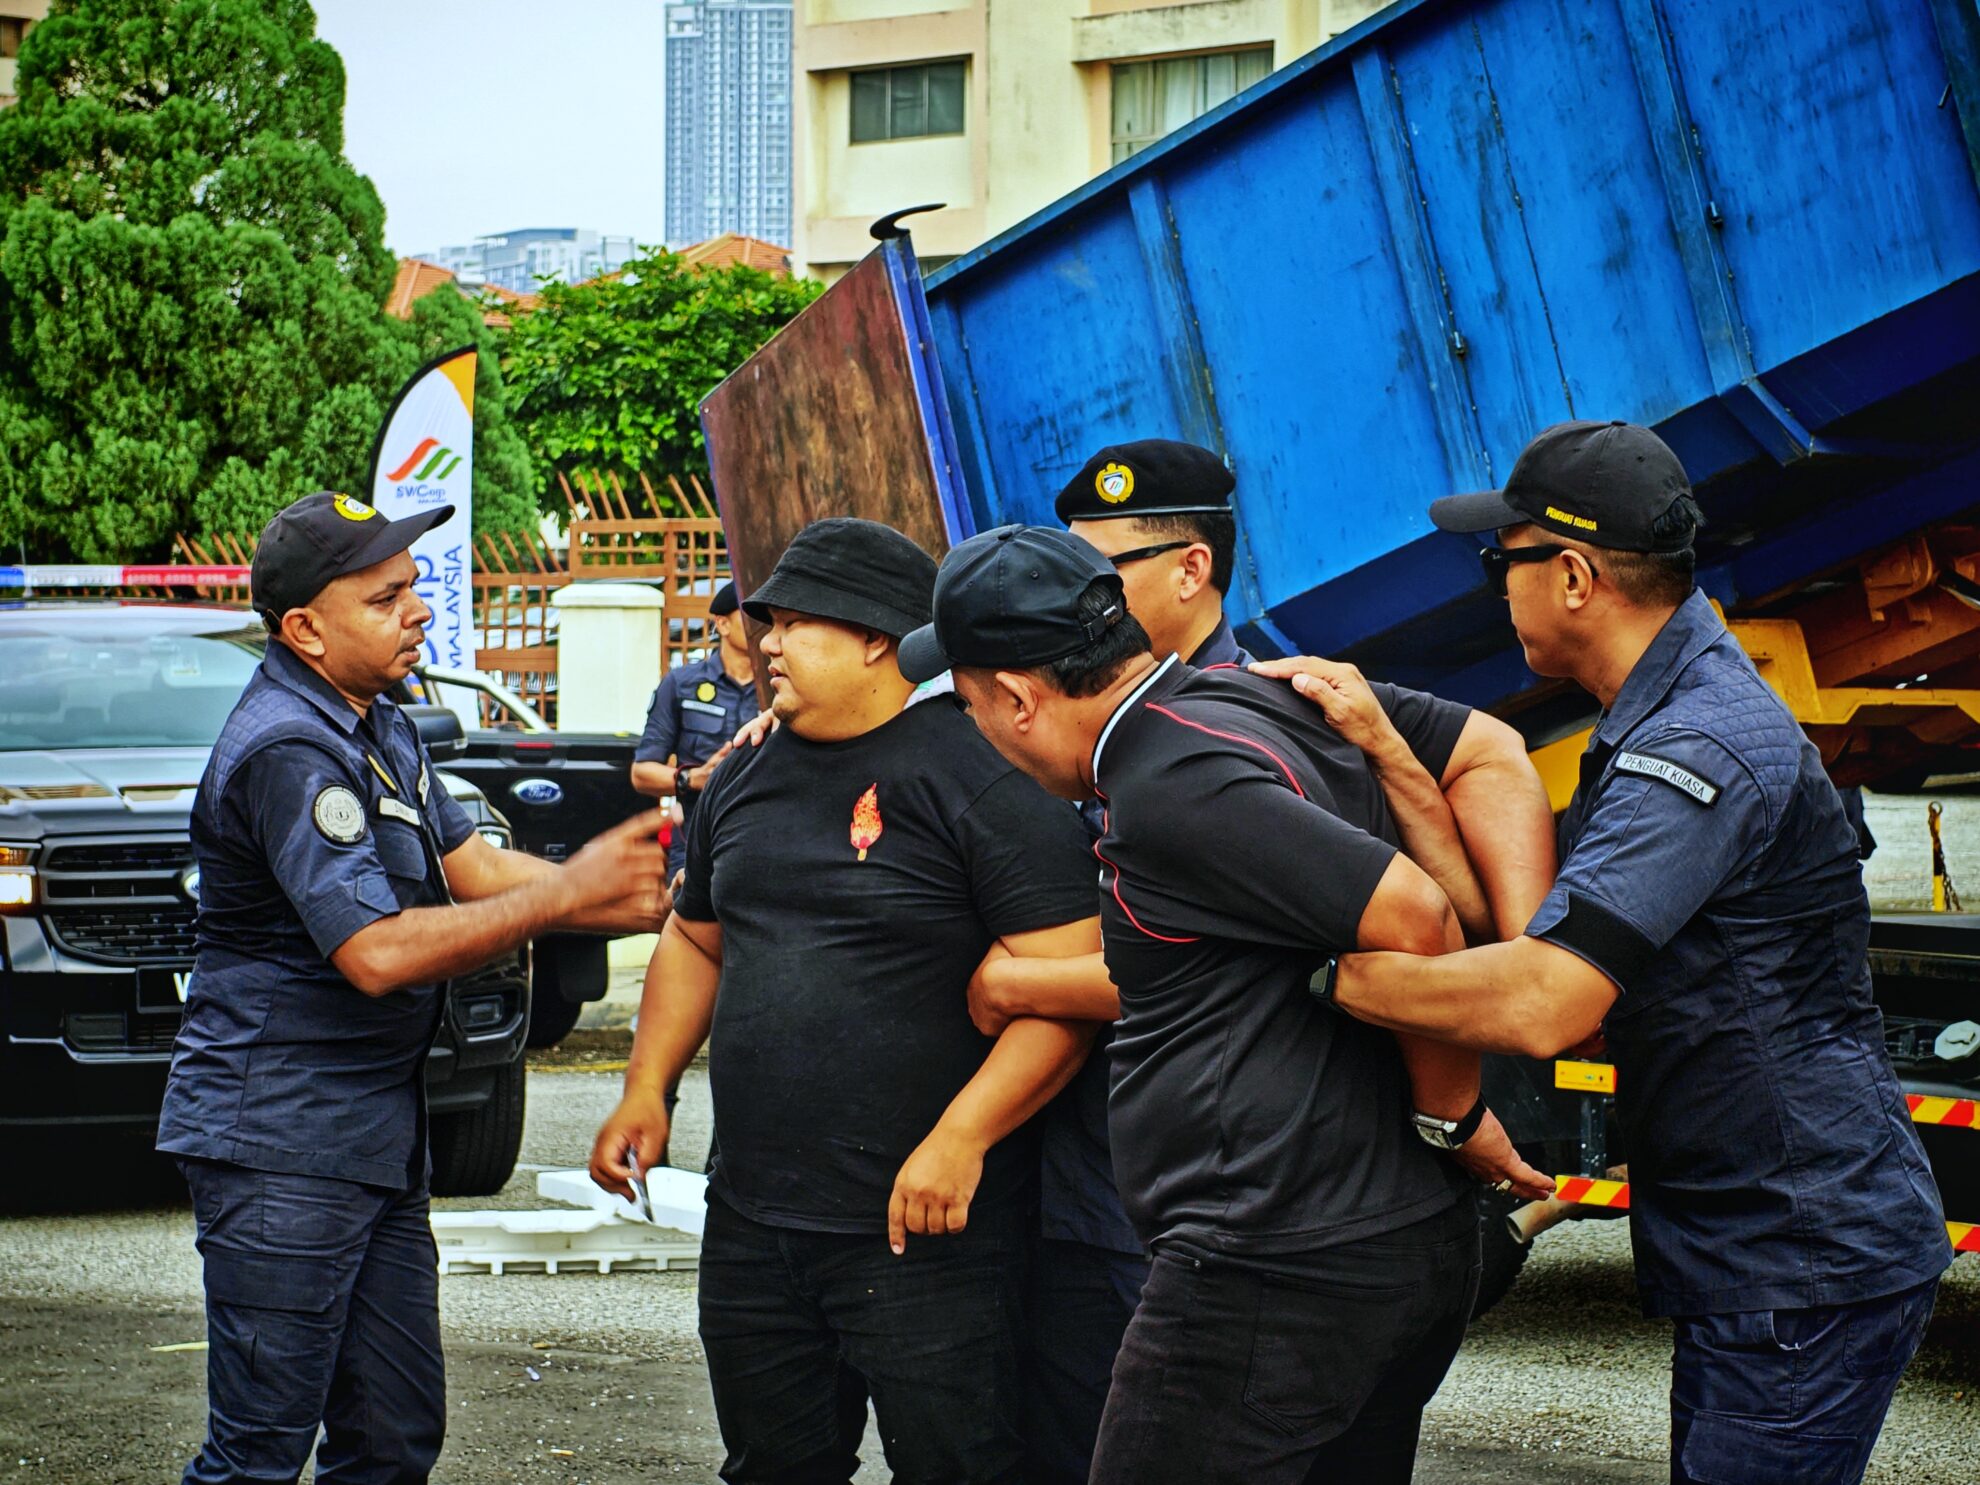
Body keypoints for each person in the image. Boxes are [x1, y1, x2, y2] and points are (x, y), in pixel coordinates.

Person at [1327, 420, 1952, 1485]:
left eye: (1502, 563)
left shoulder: (1695, 748)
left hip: (1797, 1255)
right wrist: (1394, 759)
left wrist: (1327, 978)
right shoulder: (1668, 712)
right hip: (1767, 1245)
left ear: (1573, 577)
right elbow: (1546, 939)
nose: (1499, 589)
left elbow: (1543, 1002)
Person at [900, 524, 1556, 1484]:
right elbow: (1478, 763)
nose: (980, 732)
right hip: (1381, 1240)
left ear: (1018, 697)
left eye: (969, 706)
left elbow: (1413, 919)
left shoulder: (1170, 780)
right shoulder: (1251, 695)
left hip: (1274, 1263)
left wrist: (1452, 1113)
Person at [158, 491, 673, 1484]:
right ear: (306, 629)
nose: (420, 609)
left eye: (414, 587)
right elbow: (376, 952)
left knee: (392, 1438)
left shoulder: (377, 721)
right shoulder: (290, 749)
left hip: (371, 1138)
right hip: (282, 1143)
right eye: (386, 597)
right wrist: (568, 892)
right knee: (259, 1451)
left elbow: (473, 868)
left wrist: (642, 898)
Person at [588, 517, 1104, 1485]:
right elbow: (695, 938)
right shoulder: (743, 771)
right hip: (755, 1220)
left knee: (961, 1469)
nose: (767, 643)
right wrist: (646, 1086)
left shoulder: (982, 774)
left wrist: (963, 1137)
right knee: (771, 1465)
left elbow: (1067, 988)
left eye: (794, 624)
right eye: (766, 623)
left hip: (927, 1229)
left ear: (875, 638)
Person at [1055, 437, 1253, 670]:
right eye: (1071, 567)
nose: (1074, 591)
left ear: (1190, 571)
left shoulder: (1251, 693)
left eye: (1101, 566)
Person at [632, 579, 757, 879]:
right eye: (750, 616)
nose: (760, 625)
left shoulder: (779, 686)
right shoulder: (680, 685)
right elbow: (642, 773)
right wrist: (693, 778)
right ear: (722, 624)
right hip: (693, 848)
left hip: (759, 847)